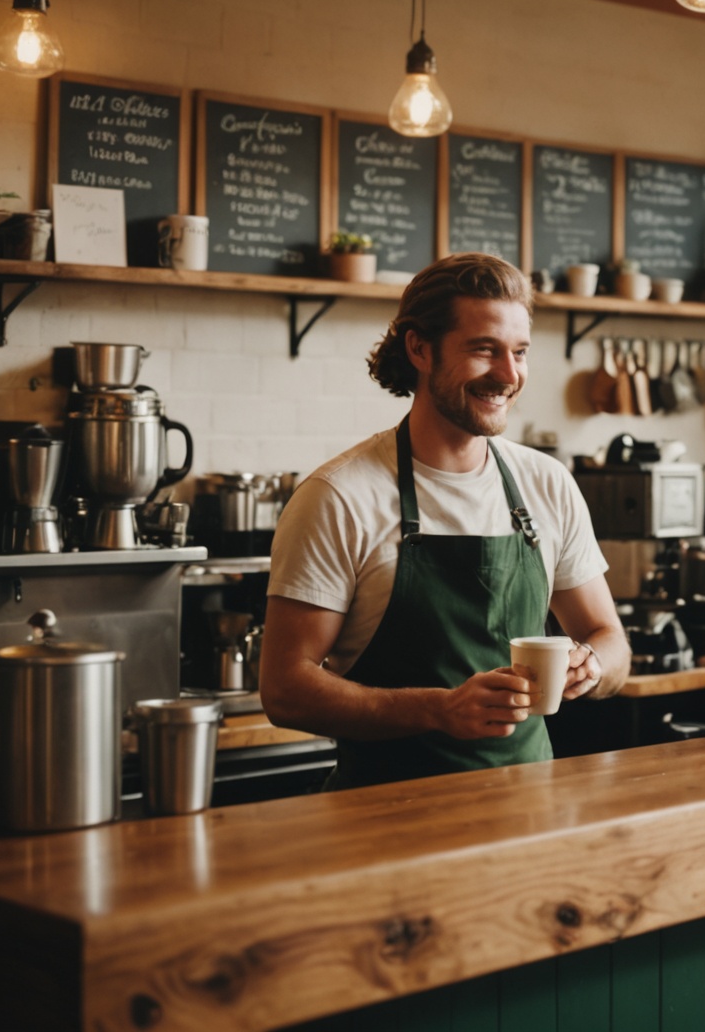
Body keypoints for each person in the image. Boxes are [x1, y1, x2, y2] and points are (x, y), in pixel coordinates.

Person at [261, 253, 629, 790]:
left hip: (530, 813)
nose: (508, 375)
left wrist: (592, 666)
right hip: (385, 822)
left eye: (519, 352)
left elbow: (611, 641)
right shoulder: (340, 497)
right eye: (484, 350)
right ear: (419, 348)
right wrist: (437, 710)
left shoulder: (547, 483)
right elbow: (285, 689)